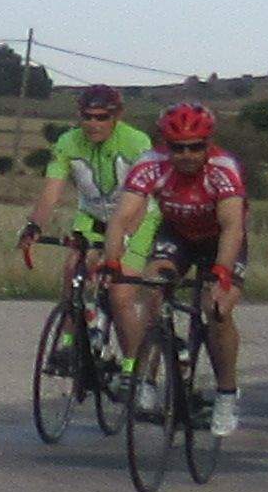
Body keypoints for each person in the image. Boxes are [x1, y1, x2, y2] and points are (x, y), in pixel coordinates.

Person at [99, 99, 256, 436]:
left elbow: (232, 226)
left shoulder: (223, 167)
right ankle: (148, 379)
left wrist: (223, 272)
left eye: (195, 147)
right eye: (178, 148)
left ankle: (227, 393)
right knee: (153, 288)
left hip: (220, 241)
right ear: (165, 145)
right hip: (178, 235)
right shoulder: (150, 164)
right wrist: (112, 260)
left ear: (209, 144)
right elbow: (122, 218)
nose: (186, 155)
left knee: (216, 309)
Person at [17, 84, 155, 279]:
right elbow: (51, 193)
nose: (93, 123)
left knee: (119, 289)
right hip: (93, 215)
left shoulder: (136, 142)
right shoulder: (68, 142)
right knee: (73, 270)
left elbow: (144, 197)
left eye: (101, 117)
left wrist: (124, 238)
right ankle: (72, 309)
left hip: (135, 218)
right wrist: (35, 225)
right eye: (87, 116)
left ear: (116, 116)